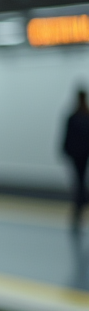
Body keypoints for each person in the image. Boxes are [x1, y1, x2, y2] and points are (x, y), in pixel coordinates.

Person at [62, 88, 89, 237]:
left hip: (75, 155)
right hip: (84, 155)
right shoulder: (86, 116)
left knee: (78, 181)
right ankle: (80, 205)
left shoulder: (73, 117)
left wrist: (65, 151)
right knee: (81, 180)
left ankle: (78, 207)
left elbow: (66, 137)